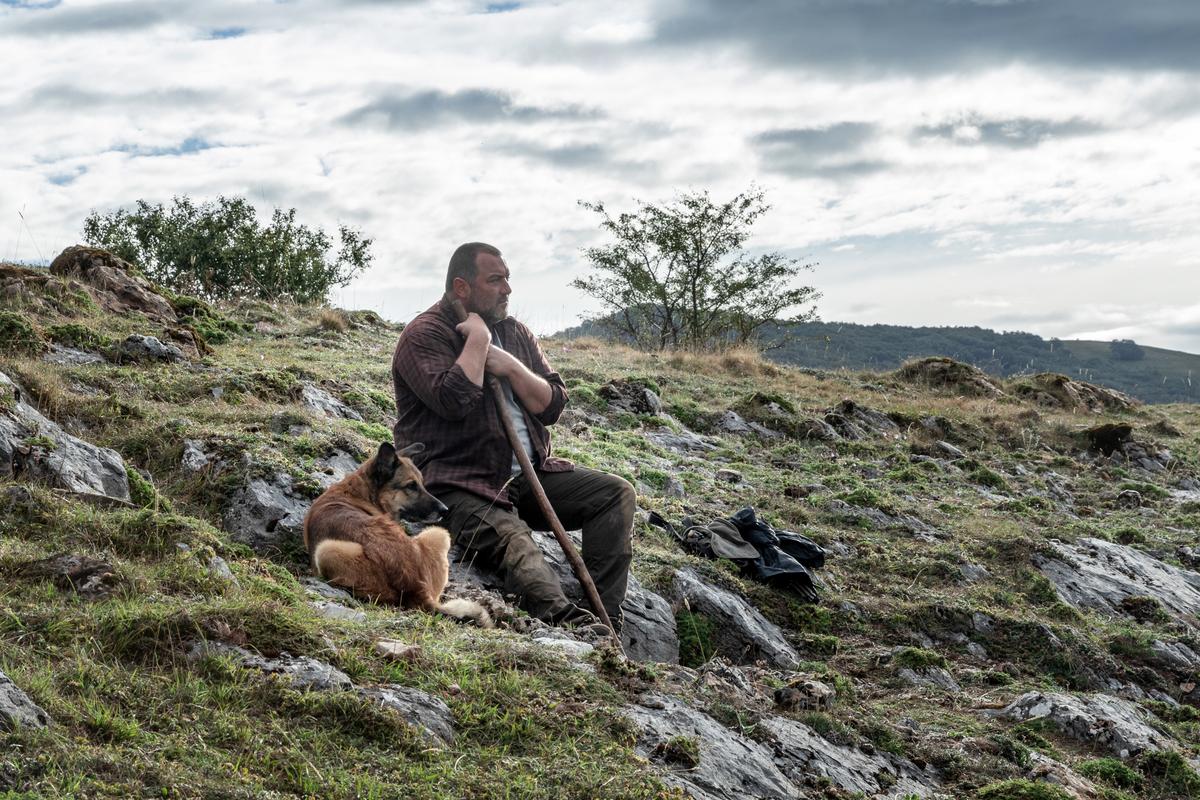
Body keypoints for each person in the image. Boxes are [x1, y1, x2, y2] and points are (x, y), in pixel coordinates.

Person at [390, 242, 634, 632]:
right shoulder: (424, 335)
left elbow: (552, 405)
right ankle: (572, 627)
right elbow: (453, 401)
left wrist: (512, 367)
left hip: (528, 477)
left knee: (614, 494)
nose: (507, 289)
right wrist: (477, 342)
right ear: (462, 287)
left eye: (507, 279)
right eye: (496, 279)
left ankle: (605, 617)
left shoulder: (517, 334)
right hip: (459, 484)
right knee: (515, 540)